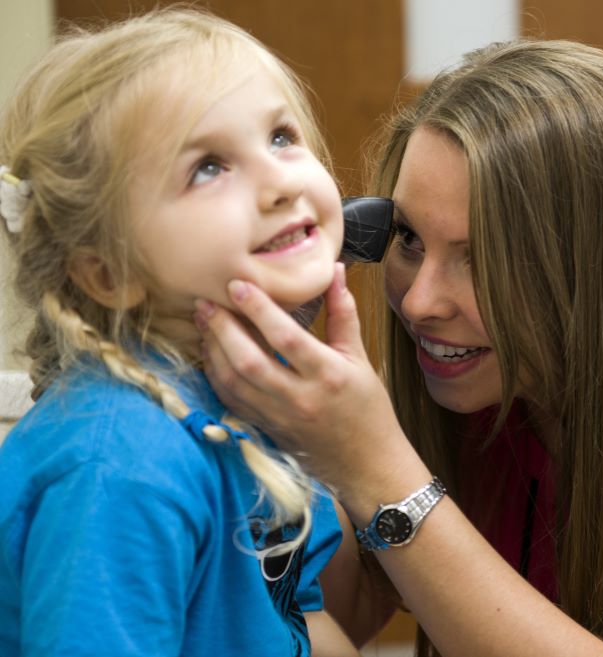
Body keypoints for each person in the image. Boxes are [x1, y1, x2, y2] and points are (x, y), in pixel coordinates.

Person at [197, 40, 603, 657]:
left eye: (482, 257)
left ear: (602, 267)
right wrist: (273, 410)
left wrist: (378, 470)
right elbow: (329, 610)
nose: (423, 300)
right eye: (408, 239)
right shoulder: (473, 359)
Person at [0, 8, 359, 657]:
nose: (280, 181)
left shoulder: (250, 399)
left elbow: (294, 616)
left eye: (280, 136)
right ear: (109, 272)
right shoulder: (122, 462)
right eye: (207, 167)